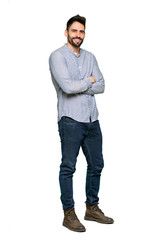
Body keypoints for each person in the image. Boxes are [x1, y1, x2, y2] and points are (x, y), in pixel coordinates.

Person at [49, 14, 114, 232]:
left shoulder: (90, 57)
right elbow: (67, 87)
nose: (78, 35)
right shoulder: (57, 56)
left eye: (82, 31)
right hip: (70, 120)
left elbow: (102, 85)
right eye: (74, 31)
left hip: (92, 120)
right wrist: (89, 81)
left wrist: (82, 83)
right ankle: (68, 214)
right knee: (68, 167)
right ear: (66, 32)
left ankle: (92, 208)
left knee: (97, 165)